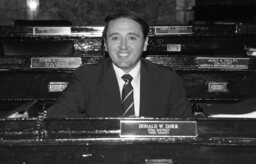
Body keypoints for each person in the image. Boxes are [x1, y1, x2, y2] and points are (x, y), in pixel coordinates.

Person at [47, 11, 192, 118]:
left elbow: (186, 124)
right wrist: (115, 125)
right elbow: (56, 114)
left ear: (145, 43)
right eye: (115, 38)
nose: (123, 46)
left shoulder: (166, 78)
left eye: (132, 38)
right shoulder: (87, 76)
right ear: (105, 44)